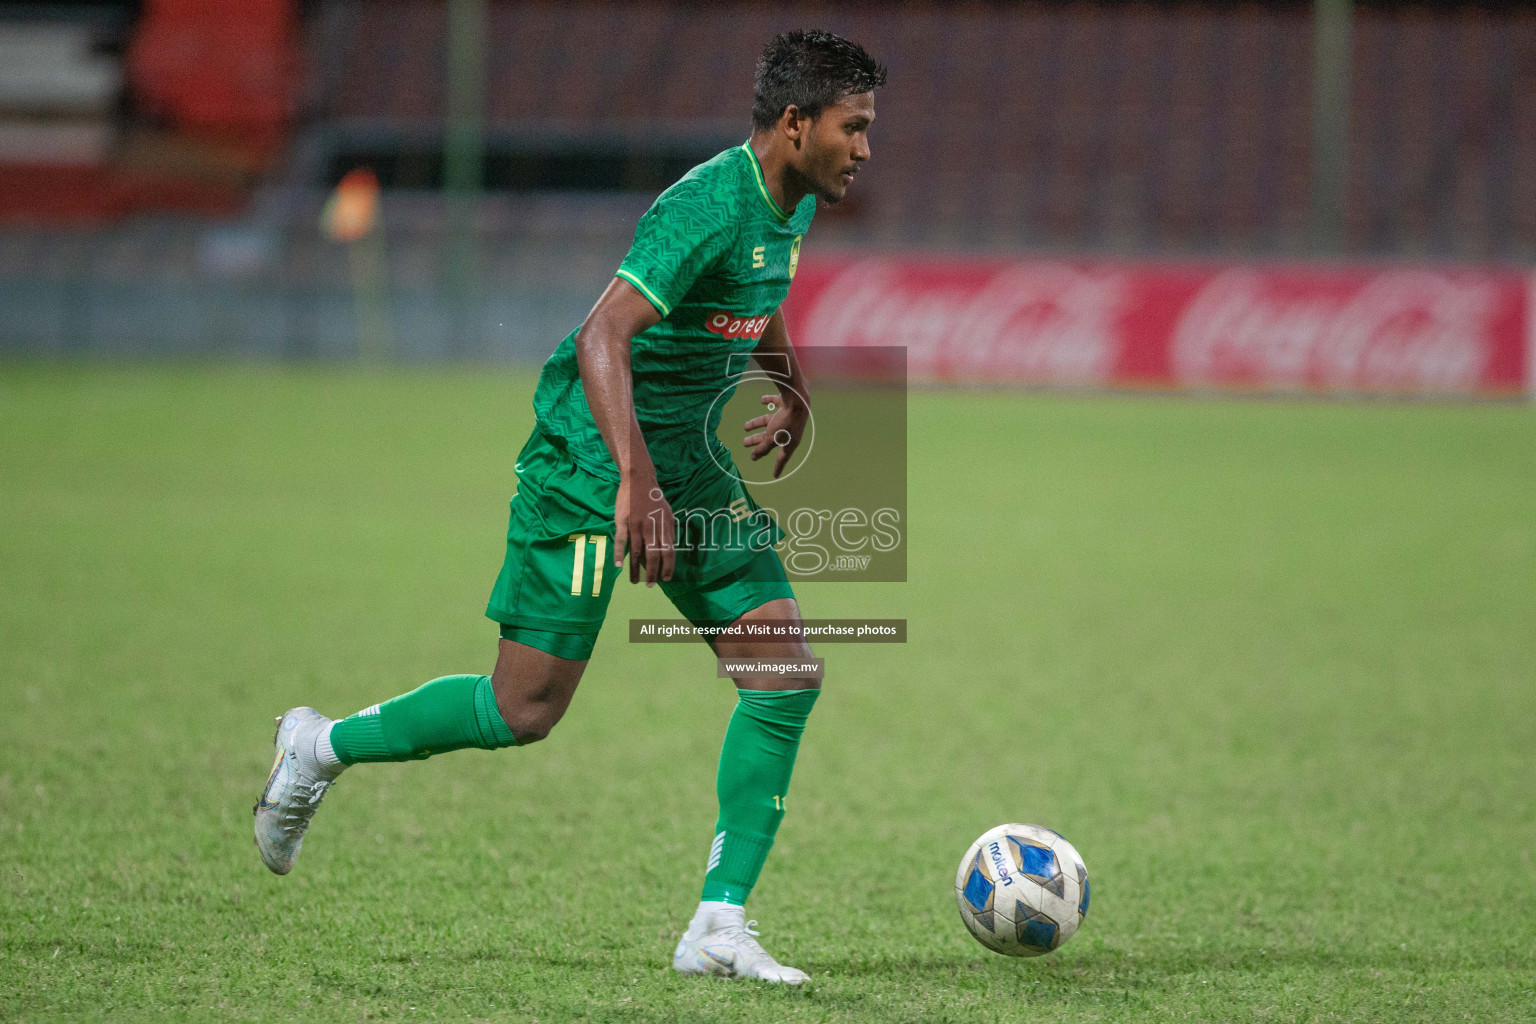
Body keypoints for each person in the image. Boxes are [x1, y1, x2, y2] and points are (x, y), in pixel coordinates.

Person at [254, 28, 884, 985]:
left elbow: (755, 295)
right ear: (796, 125)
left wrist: (789, 388)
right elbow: (602, 336)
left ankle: (717, 924)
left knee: (785, 672)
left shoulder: (791, 200)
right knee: (524, 707)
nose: (866, 148)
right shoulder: (706, 206)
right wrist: (635, 482)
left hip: (690, 466)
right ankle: (317, 746)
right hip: (592, 461)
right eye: (855, 127)